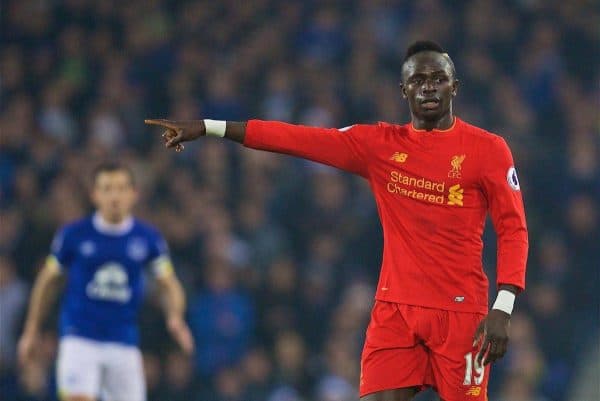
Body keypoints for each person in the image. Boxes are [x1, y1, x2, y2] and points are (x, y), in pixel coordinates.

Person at [145, 40, 528, 401]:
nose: (428, 88)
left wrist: (504, 305)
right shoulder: (380, 144)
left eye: (437, 79)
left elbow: (513, 227)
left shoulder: (488, 149)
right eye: (418, 80)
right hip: (395, 309)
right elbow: (297, 139)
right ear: (403, 90)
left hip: (460, 313)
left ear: (454, 87)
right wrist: (211, 127)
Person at [17, 162, 194, 401]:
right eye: (107, 188)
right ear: (94, 194)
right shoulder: (73, 235)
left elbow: (169, 283)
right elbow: (48, 282)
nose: (115, 196)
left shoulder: (148, 238)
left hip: (124, 342)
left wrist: (175, 317)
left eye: (121, 188)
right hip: (79, 337)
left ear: (134, 194)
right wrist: (32, 328)